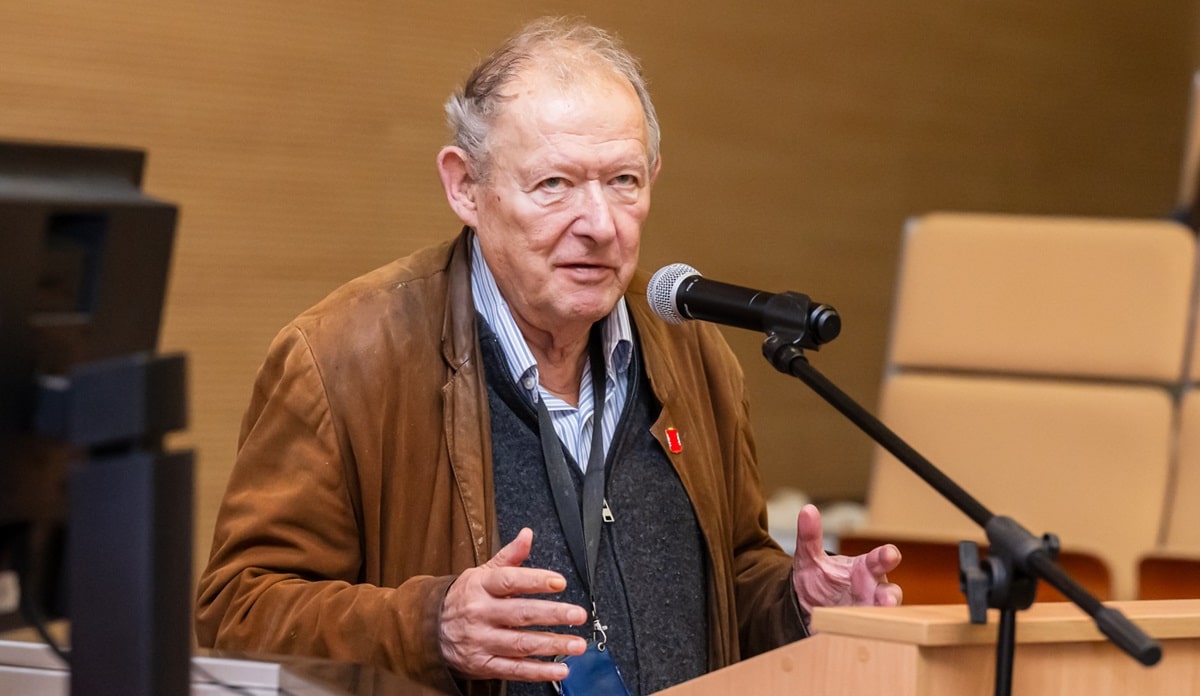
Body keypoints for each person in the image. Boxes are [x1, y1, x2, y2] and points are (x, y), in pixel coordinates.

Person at [195, 16, 902, 696]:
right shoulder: (343, 357)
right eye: (554, 184)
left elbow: (728, 584)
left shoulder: (696, 356)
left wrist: (797, 603)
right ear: (465, 187)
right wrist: (431, 627)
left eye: (623, 181)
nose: (599, 224)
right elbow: (237, 611)